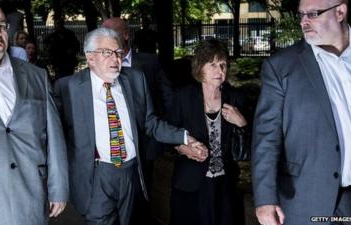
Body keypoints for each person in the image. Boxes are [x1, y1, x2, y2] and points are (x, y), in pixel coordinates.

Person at [54, 27, 206, 225]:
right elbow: (56, 137)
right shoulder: (68, 88)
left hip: (131, 171)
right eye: (107, 53)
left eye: (118, 53)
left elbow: (150, 123)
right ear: (90, 58)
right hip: (96, 174)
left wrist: (184, 138)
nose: (116, 59)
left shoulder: (135, 79)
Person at [0, 1, 68, 225]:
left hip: (31, 200)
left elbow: (54, 137)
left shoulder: (36, 75)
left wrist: (59, 188)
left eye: (2, 25)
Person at [252, 0, 351, 225]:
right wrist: (265, 199)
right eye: (301, 14)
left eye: (313, 14)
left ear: (340, 12)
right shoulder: (281, 66)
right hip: (305, 198)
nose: (303, 22)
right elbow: (267, 138)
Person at [102, 17, 174, 225]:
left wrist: (164, 131)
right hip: (112, 146)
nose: (106, 39)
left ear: (126, 35)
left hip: (145, 143)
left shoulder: (150, 63)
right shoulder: (99, 65)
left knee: (143, 195)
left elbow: (168, 97)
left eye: (112, 33)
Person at [168, 39, 248, 225]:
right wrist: (182, 148)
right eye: (212, 65)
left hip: (225, 185)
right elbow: (167, 134)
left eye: (223, 65)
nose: (219, 71)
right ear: (200, 68)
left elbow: (248, 149)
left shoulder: (236, 98)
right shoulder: (183, 96)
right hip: (190, 183)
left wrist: (242, 123)